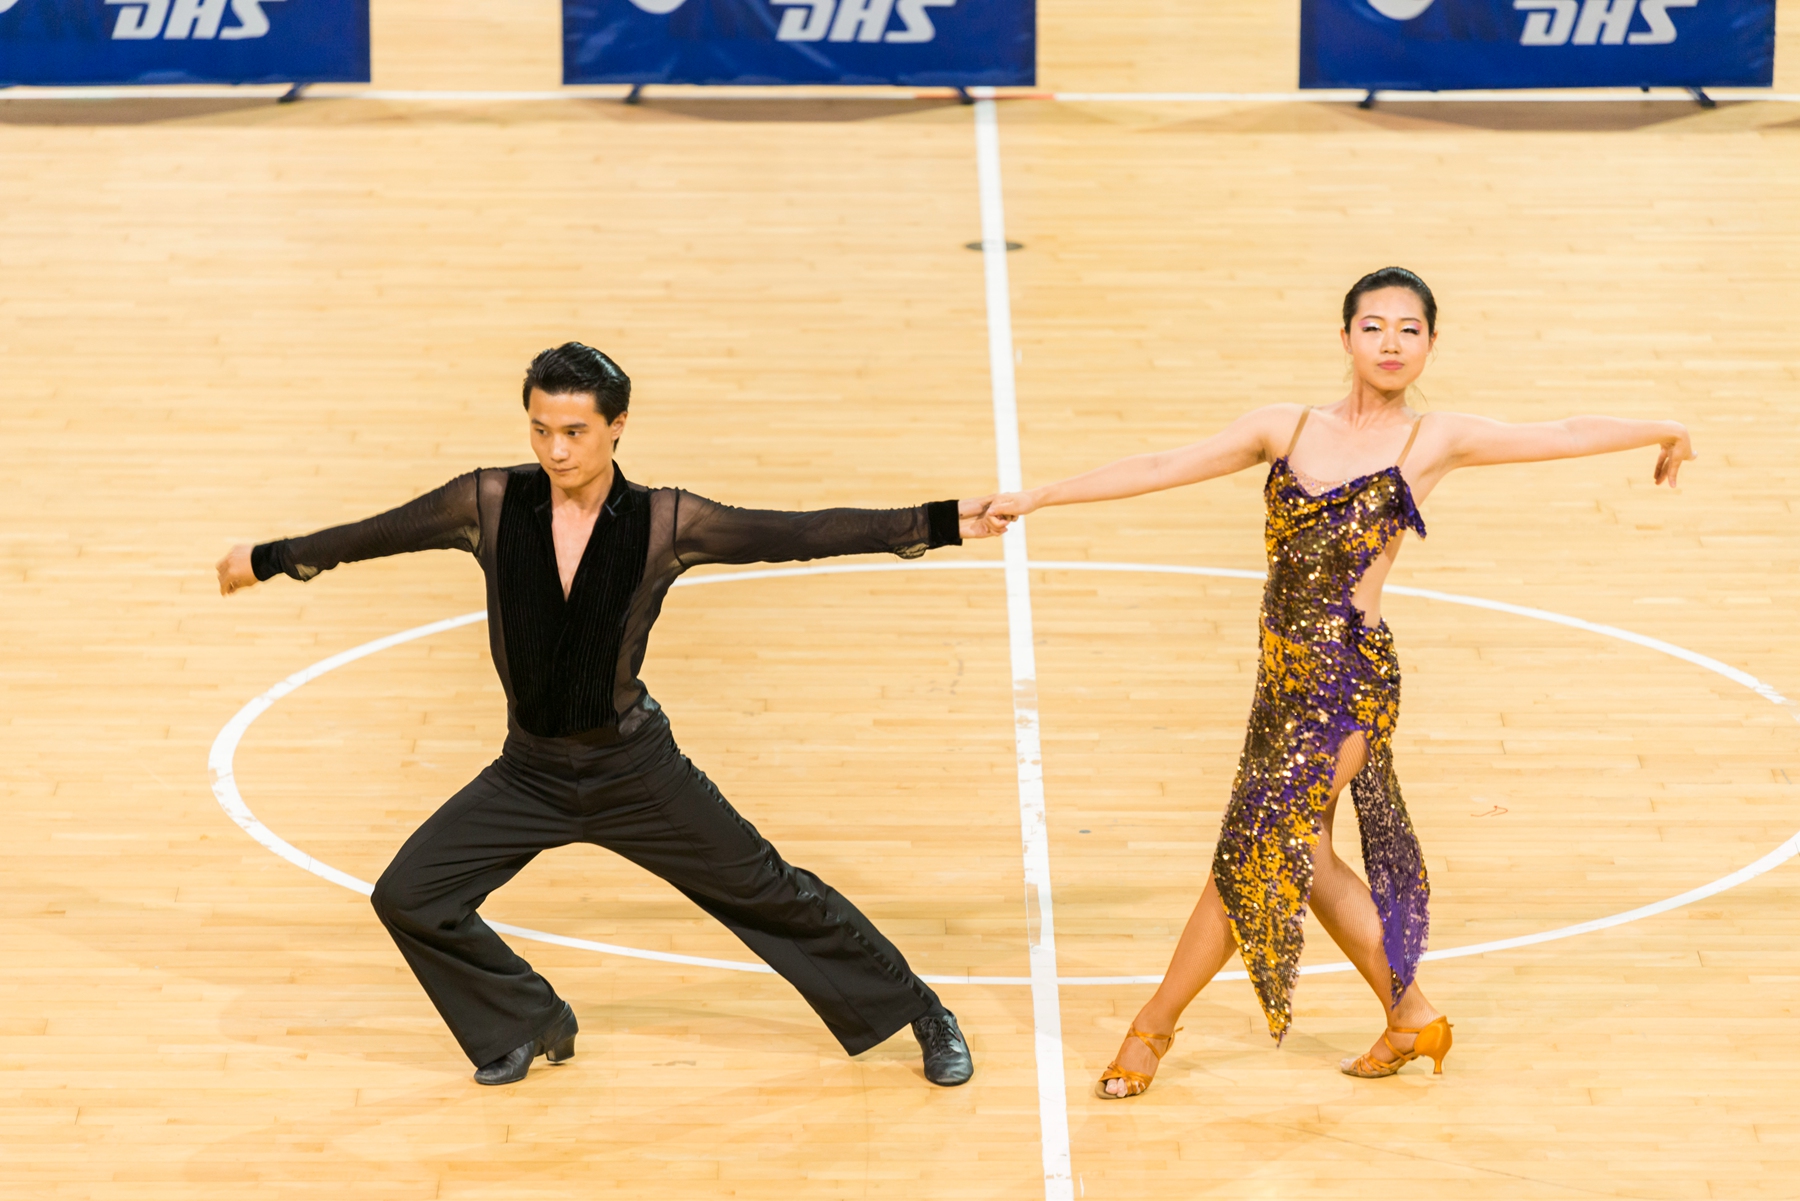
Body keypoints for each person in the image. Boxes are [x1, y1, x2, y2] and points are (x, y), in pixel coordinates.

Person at [980, 267, 1696, 1097]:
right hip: (1279, 681)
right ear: (1346, 337)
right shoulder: (1284, 427)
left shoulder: (1434, 440)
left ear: (1431, 343)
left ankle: (1152, 1028)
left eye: (1410, 328)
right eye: (1373, 326)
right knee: (1307, 851)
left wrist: (1664, 426)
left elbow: (1566, 430)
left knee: (1250, 848)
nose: (1391, 342)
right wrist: (1041, 495)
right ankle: (1410, 1012)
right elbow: (1164, 462)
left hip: (1352, 680)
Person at [217, 342, 997, 1088]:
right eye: (540, 428)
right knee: (410, 896)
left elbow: (799, 534)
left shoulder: (666, 521)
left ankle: (922, 1013)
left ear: (617, 426)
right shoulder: (488, 501)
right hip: (528, 774)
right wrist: (270, 557)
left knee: (771, 892)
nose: (555, 450)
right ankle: (529, 1018)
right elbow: (374, 535)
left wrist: (941, 519)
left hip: (635, 772)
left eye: (574, 431)